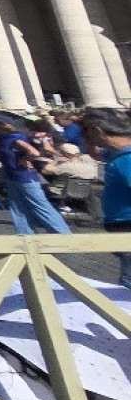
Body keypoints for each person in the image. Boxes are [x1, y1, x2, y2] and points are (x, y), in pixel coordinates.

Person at [0, 121, 69, 235]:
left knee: (38, 206)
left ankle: (62, 233)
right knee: (19, 207)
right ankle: (26, 234)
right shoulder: (13, 137)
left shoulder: (12, 138)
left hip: (23, 176)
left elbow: (34, 152)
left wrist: (24, 159)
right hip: (14, 176)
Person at [83, 107, 131, 287]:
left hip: (128, 226)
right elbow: (96, 153)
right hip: (122, 225)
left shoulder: (127, 158)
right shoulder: (116, 154)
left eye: (88, 133)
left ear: (98, 131)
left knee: (128, 282)